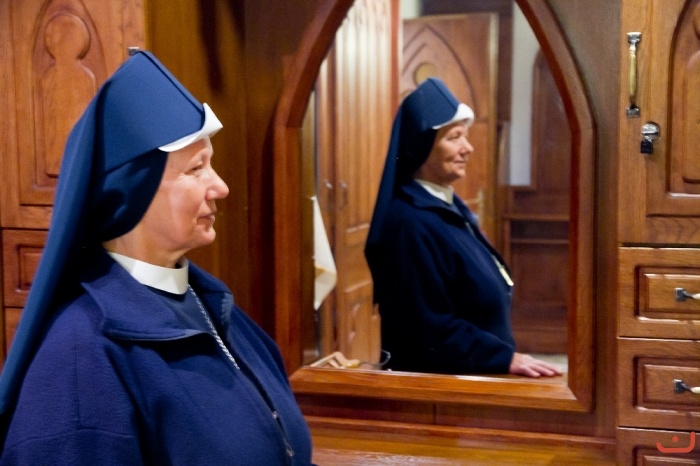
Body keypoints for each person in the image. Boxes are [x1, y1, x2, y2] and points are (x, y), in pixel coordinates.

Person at [0, 51, 313, 465]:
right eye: (196, 169)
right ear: (136, 190)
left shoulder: (214, 307)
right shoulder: (81, 359)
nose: (220, 187)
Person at [365, 77, 562, 378]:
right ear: (422, 146)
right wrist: (503, 358)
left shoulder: (447, 206)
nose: (467, 148)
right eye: (454, 137)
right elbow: (428, 329)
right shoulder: (410, 223)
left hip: (472, 374)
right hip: (440, 389)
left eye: (465, 137)